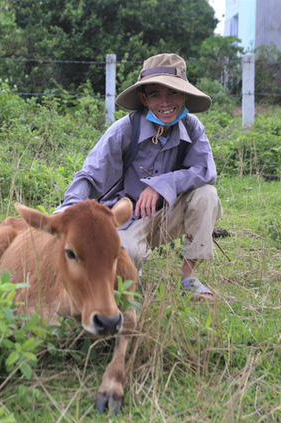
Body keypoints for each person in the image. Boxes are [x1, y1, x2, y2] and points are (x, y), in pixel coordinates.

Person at [54, 53, 222, 300]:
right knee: (126, 255)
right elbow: (90, 175)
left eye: (173, 93)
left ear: (184, 95)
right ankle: (130, 279)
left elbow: (205, 171)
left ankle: (188, 277)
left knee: (207, 195)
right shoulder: (124, 130)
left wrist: (162, 183)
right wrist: (63, 214)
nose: (165, 102)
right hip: (128, 216)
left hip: (169, 213)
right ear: (144, 98)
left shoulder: (192, 127)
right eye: (155, 95)